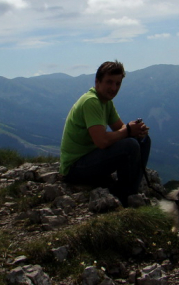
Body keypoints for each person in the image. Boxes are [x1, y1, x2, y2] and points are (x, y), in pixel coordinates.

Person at [60, 60, 151, 206]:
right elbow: (101, 141)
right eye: (109, 82)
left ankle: (130, 192)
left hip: (89, 159)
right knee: (130, 146)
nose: (114, 88)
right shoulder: (91, 101)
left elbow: (119, 128)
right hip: (75, 168)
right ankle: (124, 196)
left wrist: (135, 131)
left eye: (118, 83)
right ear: (97, 82)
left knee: (143, 140)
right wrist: (128, 130)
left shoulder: (106, 102)